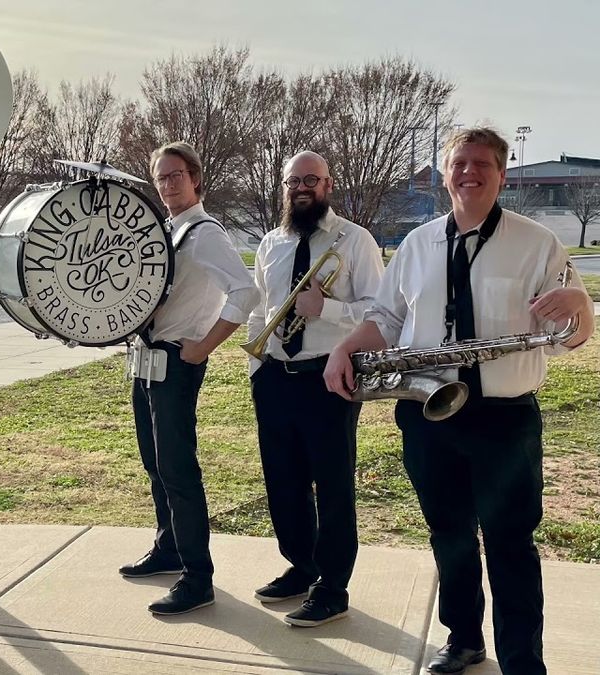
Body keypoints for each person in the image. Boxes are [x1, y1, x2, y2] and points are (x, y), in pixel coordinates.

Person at [325, 127, 594, 674]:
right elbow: (388, 319)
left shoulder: (537, 243)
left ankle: (523, 662)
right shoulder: (417, 244)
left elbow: (566, 337)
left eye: (482, 164)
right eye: (459, 163)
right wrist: (345, 349)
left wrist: (581, 310)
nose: (469, 172)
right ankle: (463, 638)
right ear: (445, 172)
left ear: (501, 173)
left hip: (504, 417)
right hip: (428, 412)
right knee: (447, 532)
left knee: (510, 542)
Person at [119, 141, 259, 615]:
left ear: (195, 178)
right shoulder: (163, 230)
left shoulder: (206, 233)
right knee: (155, 463)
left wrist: (204, 346)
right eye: (160, 177)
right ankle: (169, 547)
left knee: (178, 469)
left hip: (177, 362)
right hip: (145, 358)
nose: (167, 184)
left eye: (176, 175)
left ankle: (198, 577)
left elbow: (246, 291)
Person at [246, 151, 383, 626]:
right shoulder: (271, 243)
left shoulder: (355, 240)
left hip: (330, 377)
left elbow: (378, 312)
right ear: (283, 188)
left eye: (311, 180)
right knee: (283, 481)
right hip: (275, 378)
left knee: (332, 484)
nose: (301, 188)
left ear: (328, 184)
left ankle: (333, 585)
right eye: (293, 182)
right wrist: (254, 361)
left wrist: (323, 308)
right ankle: (300, 565)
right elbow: (261, 306)